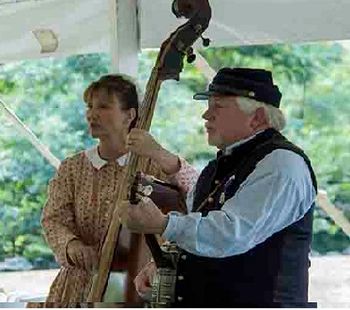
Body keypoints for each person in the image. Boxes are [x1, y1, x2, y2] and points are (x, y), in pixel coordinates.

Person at [121, 68, 318, 307]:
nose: (206, 115)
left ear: (257, 118)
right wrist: (163, 264)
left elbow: (231, 233)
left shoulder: (281, 165)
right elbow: (199, 230)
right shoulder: (218, 166)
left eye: (219, 106)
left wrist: (163, 224)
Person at [39, 74, 198, 307]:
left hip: (138, 286)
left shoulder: (153, 163)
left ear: (130, 115)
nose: (92, 114)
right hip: (80, 287)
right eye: (90, 106)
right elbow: (53, 219)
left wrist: (159, 153)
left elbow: (197, 191)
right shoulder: (72, 168)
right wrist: (72, 245)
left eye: (103, 106)